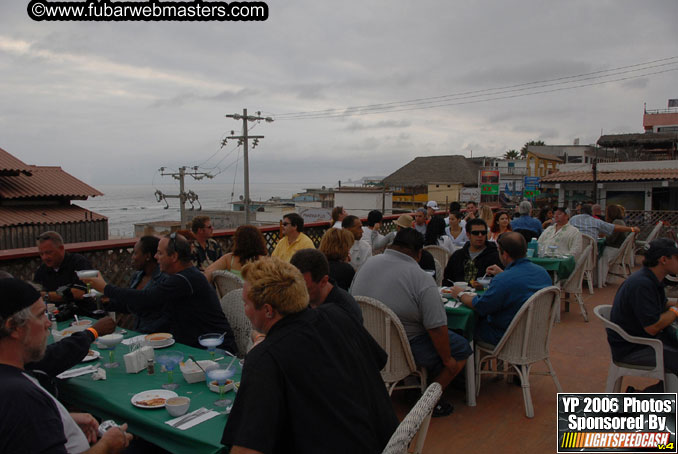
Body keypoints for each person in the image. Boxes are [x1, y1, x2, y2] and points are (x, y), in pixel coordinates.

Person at [222, 258, 398, 453]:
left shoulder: (265, 359)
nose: (244, 310)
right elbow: (377, 362)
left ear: (268, 310)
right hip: (386, 443)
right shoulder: (339, 315)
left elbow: (246, 449)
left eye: (245, 303)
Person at [0, 278, 132, 453]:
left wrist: (59, 418)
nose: (48, 323)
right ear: (14, 327)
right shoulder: (20, 396)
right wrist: (107, 445)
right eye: (40, 315)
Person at [351, 228, 472, 417]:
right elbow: (437, 328)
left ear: (392, 245)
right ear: (419, 253)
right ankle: (429, 401)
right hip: (403, 349)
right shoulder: (421, 278)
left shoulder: (367, 265)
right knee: (461, 347)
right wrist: (448, 361)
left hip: (365, 345)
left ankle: (412, 387)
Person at [82, 233, 238, 352]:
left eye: (160, 253)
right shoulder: (180, 278)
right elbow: (149, 305)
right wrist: (108, 302)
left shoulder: (186, 279)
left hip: (214, 349)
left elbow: (147, 298)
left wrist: (105, 287)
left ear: (174, 256)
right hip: (192, 346)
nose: (156, 258)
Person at [448, 232, 552, 344]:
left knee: (465, 327)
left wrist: (460, 294)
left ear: (505, 254)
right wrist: (502, 274)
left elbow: (480, 306)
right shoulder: (543, 273)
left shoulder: (504, 280)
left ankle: (473, 360)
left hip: (507, 336)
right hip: (535, 334)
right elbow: (520, 285)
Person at [607, 239, 678, 382]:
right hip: (634, 348)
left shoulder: (651, 278)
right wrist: (676, 310)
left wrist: (674, 306)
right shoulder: (642, 284)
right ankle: (641, 399)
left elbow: (663, 304)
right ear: (664, 260)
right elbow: (652, 327)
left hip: (645, 342)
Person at [106, 236, 169, 334]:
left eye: (135, 253)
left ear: (147, 256)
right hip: (138, 334)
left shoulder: (164, 279)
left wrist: (106, 288)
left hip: (158, 337)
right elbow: (129, 306)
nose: (132, 257)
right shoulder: (138, 276)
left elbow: (146, 302)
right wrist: (106, 301)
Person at [290, 249, 362, 323]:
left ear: (323, 281)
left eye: (304, 289)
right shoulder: (304, 302)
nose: (296, 293)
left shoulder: (344, 311)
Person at [34, 231, 93, 303]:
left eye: (48, 253)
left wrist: (46, 295)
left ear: (61, 249)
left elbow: (79, 293)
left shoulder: (79, 263)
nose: (44, 257)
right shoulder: (41, 271)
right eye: (41, 254)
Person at [443, 218, 503, 286]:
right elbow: (447, 280)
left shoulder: (496, 256)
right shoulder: (457, 256)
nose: (480, 235)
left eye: (483, 233)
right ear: (468, 235)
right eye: (475, 233)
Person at [598, 204, 630, 286]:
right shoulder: (620, 221)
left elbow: (611, 239)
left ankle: (600, 280)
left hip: (614, 249)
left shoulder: (617, 222)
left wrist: (604, 236)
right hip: (618, 248)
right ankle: (607, 278)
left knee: (599, 257)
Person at [569, 203, 639, 239]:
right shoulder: (596, 221)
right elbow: (614, 228)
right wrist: (632, 229)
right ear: (591, 212)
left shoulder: (573, 219)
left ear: (581, 211)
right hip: (590, 250)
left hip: (574, 248)